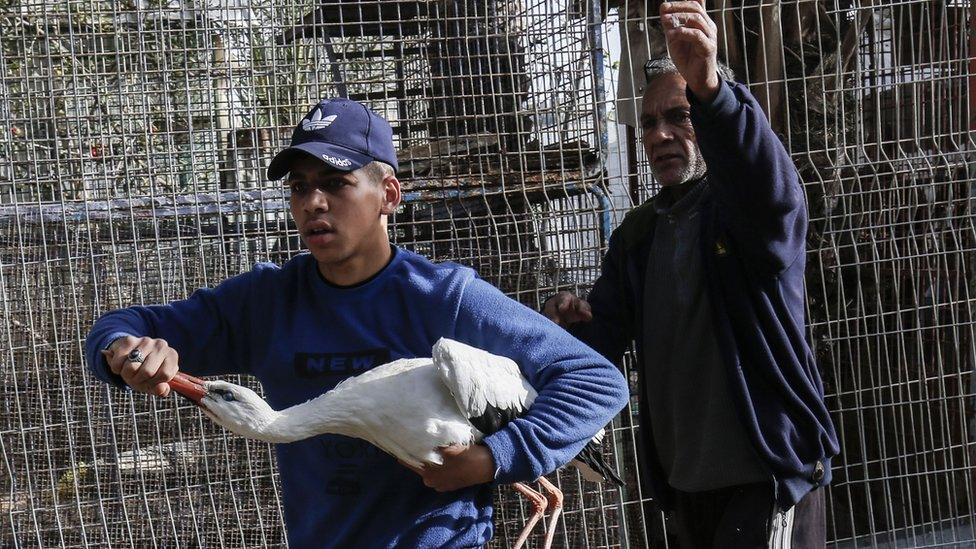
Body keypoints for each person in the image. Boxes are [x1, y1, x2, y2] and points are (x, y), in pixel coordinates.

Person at [86, 97, 629, 548]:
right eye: (299, 187)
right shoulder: (268, 300)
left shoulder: (446, 299)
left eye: (336, 183)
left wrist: (493, 459)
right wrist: (122, 349)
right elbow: (120, 324)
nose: (312, 204)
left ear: (388, 195)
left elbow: (597, 380)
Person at [543, 1, 840, 546]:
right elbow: (601, 340)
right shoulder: (638, 236)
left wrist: (710, 86)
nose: (659, 135)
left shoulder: (744, 213)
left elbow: (766, 187)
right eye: (649, 121)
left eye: (679, 116)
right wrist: (568, 327)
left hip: (766, 480)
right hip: (686, 492)